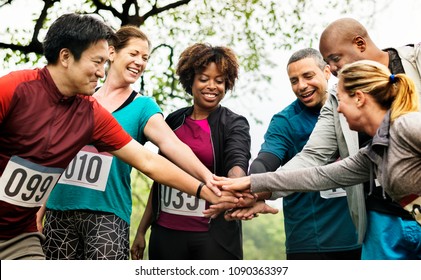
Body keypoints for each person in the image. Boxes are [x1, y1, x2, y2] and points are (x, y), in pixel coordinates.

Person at [0, 13, 236, 260]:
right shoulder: (14, 89)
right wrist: (43, 207)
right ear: (66, 56)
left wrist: (209, 189)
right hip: (57, 217)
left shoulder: (92, 114)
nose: (101, 73)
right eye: (97, 62)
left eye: (145, 57)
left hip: (28, 236)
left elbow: (149, 161)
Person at [211, 18, 421, 260]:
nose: (332, 68)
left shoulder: (409, 106)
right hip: (382, 219)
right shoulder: (370, 153)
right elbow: (318, 167)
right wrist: (255, 187)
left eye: (334, 59)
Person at [131, 43, 251, 260]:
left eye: (219, 81)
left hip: (212, 239)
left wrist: (236, 184)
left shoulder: (234, 123)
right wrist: (141, 230)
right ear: (191, 81)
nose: (212, 86)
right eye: (204, 79)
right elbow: (161, 179)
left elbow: (238, 162)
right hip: (165, 235)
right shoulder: (173, 120)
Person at [247, 48, 361, 260]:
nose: (301, 86)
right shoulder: (286, 121)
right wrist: (251, 186)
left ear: (327, 72)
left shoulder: (356, 107)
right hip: (310, 241)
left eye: (308, 76)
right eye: (294, 80)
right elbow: (265, 161)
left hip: (361, 235)